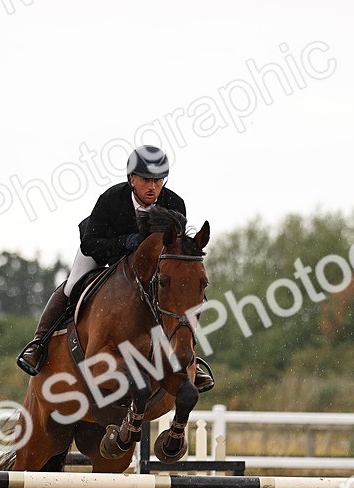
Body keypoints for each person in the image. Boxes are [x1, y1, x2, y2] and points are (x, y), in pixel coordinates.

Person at [16, 145, 213, 392]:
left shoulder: (174, 203)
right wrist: (126, 242)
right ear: (132, 179)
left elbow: (175, 252)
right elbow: (90, 244)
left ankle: (187, 359)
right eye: (145, 180)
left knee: (174, 297)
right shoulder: (111, 199)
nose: (152, 187)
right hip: (103, 252)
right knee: (72, 285)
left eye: (158, 180)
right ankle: (39, 343)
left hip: (147, 268)